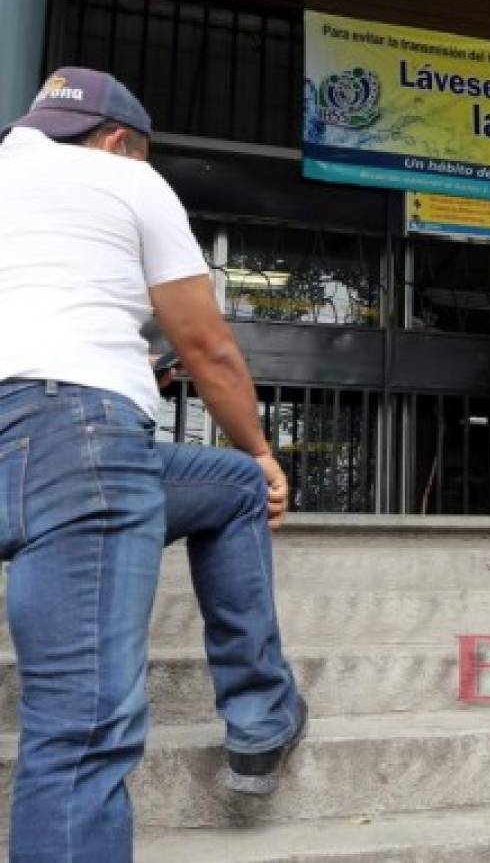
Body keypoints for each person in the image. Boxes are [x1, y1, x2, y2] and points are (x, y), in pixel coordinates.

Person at [0, 68, 305, 862]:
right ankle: (259, 720)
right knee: (81, 729)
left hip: (38, 446)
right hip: (76, 446)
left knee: (225, 491)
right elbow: (208, 345)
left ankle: (263, 718)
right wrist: (265, 453)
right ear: (116, 140)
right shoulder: (122, 179)